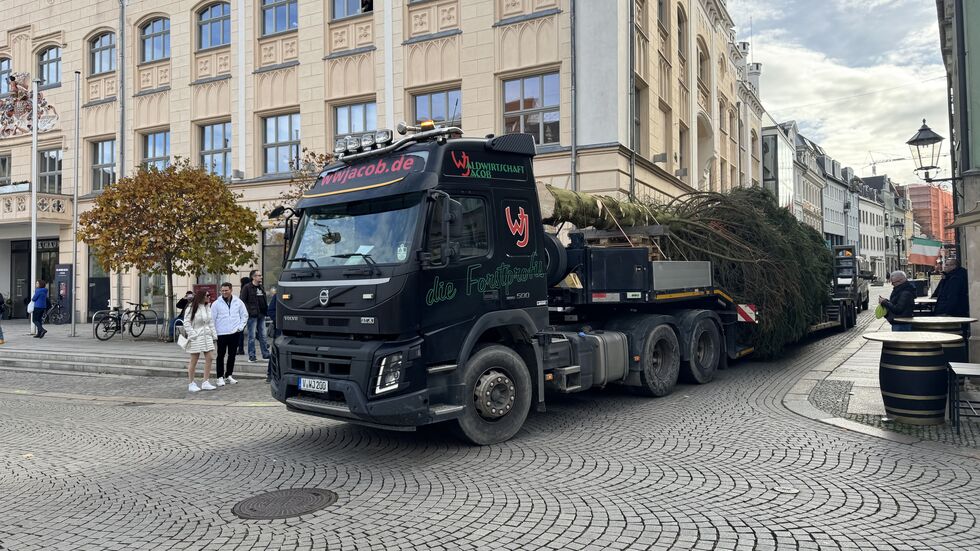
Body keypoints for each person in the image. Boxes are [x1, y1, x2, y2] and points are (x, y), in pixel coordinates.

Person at [212, 282, 248, 386]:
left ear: (231, 290)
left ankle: (229, 375)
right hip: (221, 333)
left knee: (232, 355)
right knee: (220, 355)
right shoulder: (216, 304)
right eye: (222, 291)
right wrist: (214, 333)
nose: (224, 292)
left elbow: (244, 315)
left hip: (234, 332)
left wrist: (240, 327)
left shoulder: (238, 302)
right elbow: (212, 319)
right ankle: (219, 377)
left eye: (226, 290)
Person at [182, 288, 218, 392]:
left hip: (207, 336)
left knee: (210, 357)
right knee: (194, 360)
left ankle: (205, 381)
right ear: (201, 296)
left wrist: (214, 335)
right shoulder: (191, 307)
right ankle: (191, 383)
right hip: (196, 336)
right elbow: (186, 323)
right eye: (207, 295)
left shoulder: (207, 307)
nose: (208, 297)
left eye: (209, 295)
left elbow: (210, 322)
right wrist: (193, 334)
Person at [240, 269, 270, 362]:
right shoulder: (247, 287)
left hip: (261, 314)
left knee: (263, 335)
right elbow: (243, 301)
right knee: (251, 336)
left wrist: (266, 311)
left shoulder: (261, 287)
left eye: (261, 275)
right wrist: (249, 312)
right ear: (253, 277)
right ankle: (252, 356)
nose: (261, 277)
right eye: (259, 275)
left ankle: (265, 354)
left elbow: (263, 300)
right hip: (252, 315)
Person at [266, 286, 278, 383]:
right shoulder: (278, 296)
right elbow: (270, 311)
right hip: (280, 330)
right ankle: (270, 374)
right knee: (274, 352)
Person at [237, 276, 250, 356]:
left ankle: (240, 349)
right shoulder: (251, 288)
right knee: (254, 331)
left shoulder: (244, 289)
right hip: (250, 312)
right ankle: (264, 344)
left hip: (244, 313)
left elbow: (241, 302)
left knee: (240, 332)